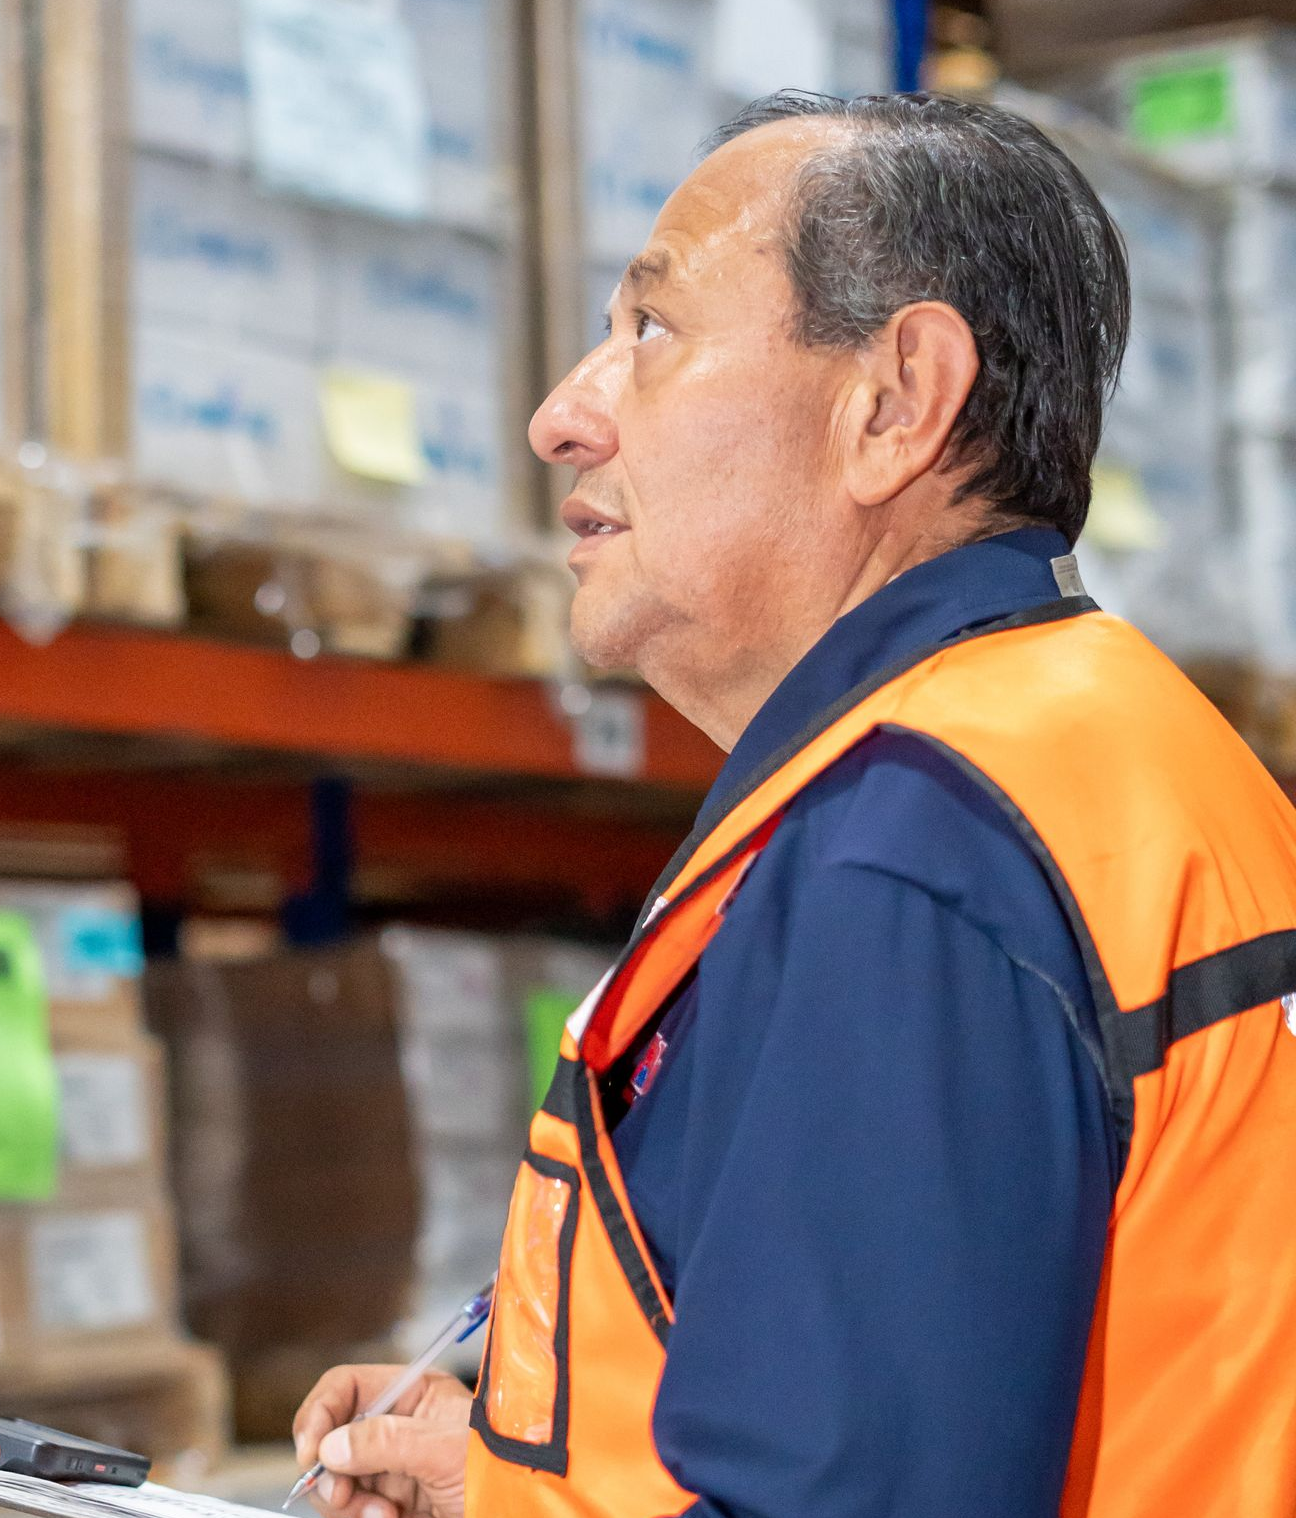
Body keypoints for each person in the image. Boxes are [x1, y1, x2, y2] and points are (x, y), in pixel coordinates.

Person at [292, 92, 1296, 1518]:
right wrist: (522, 1485)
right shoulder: (1105, 749)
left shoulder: (914, 848)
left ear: (893, 403)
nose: (562, 415)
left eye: (653, 330)